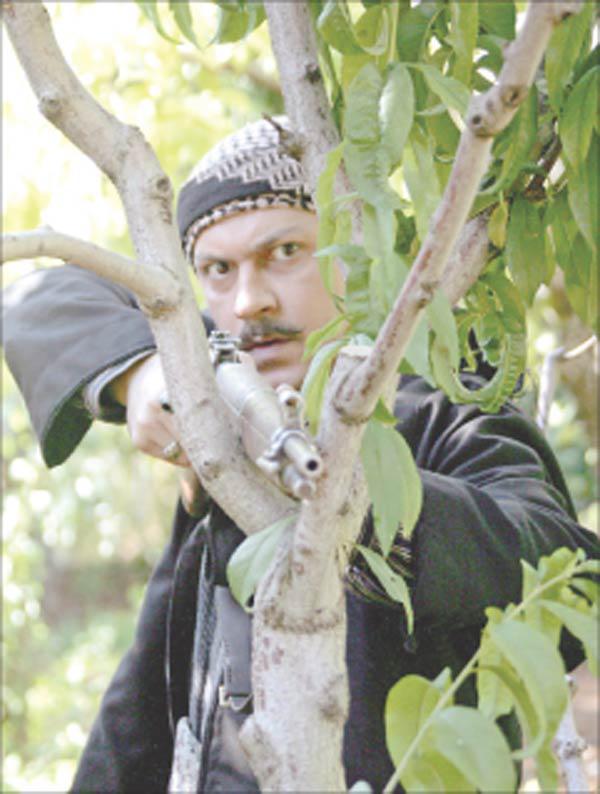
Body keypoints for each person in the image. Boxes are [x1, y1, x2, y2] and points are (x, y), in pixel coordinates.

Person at [4, 116, 599, 792]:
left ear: (357, 256)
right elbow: (36, 299)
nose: (249, 301)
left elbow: (562, 569)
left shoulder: (447, 401)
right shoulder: (226, 383)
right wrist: (138, 372)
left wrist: (358, 499)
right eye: (218, 270)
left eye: (285, 252)